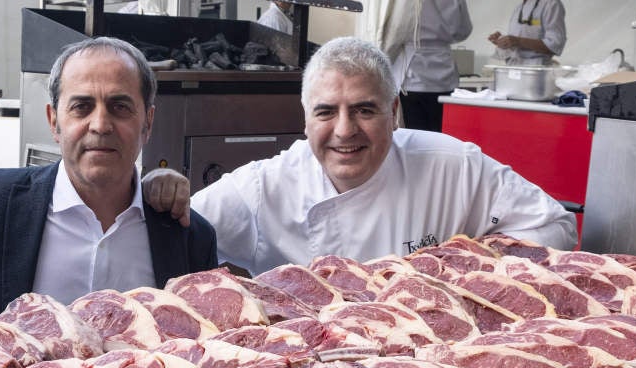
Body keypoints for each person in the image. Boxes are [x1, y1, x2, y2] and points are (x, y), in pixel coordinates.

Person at [143, 36, 576, 276]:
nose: (345, 130)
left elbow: (553, 226)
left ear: (394, 113)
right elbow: (170, 235)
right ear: (306, 120)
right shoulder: (263, 187)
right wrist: (156, 193)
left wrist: (468, 271)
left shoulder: (451, 165)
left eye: (365, 110)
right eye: (326, 112)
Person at [0, 37, 217, 318]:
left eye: (120, 107)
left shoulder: (189, 238)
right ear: (54, 122)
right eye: (82, 106)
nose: (101, 125)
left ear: (147, 122)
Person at [393, 0, 473, 131]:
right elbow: (464, 29)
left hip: (413, 74)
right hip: (444, 74)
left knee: (415, 136)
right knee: (443, 132)